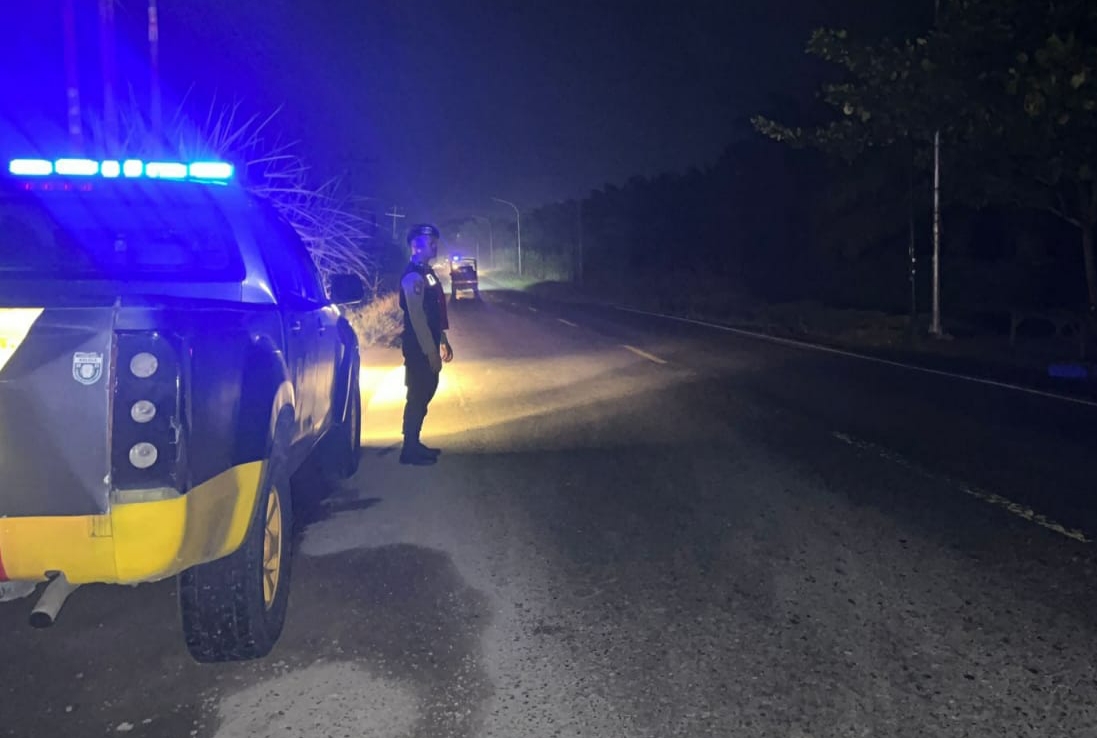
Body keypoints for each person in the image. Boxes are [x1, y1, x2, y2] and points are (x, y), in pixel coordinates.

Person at [398, 223, 454, 465]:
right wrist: (430, 351)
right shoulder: (413, 276)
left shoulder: (427, 273)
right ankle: (409, 449)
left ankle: (415, 442)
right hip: (418, 345)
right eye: (430, 242)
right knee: (418, 393)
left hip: (429, 339)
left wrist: (443, 339)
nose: (434, 246)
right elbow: (417, 317)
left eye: (435, 242)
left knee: (426, 389)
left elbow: (434, 311)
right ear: (415, 246)